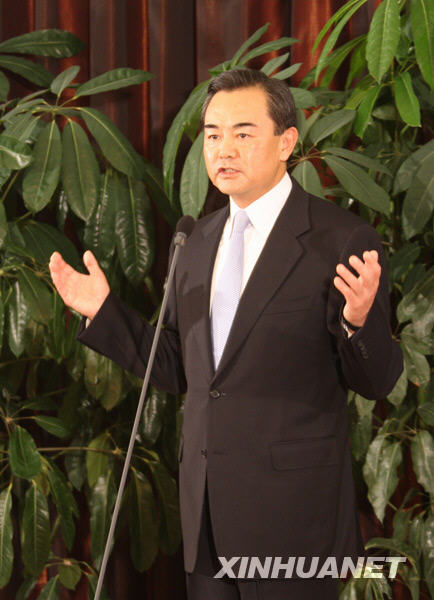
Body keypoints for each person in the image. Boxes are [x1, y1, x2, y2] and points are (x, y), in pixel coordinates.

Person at [49, 68, 404, 600]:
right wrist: (103, 312)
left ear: (286, 142)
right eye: (213, 135)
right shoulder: (195, 241)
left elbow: (378, 382)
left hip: (294, 521)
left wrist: (356, 323)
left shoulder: (340, 239)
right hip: (207, 517)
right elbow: (178, 369)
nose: (224, 149)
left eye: (243, 133)